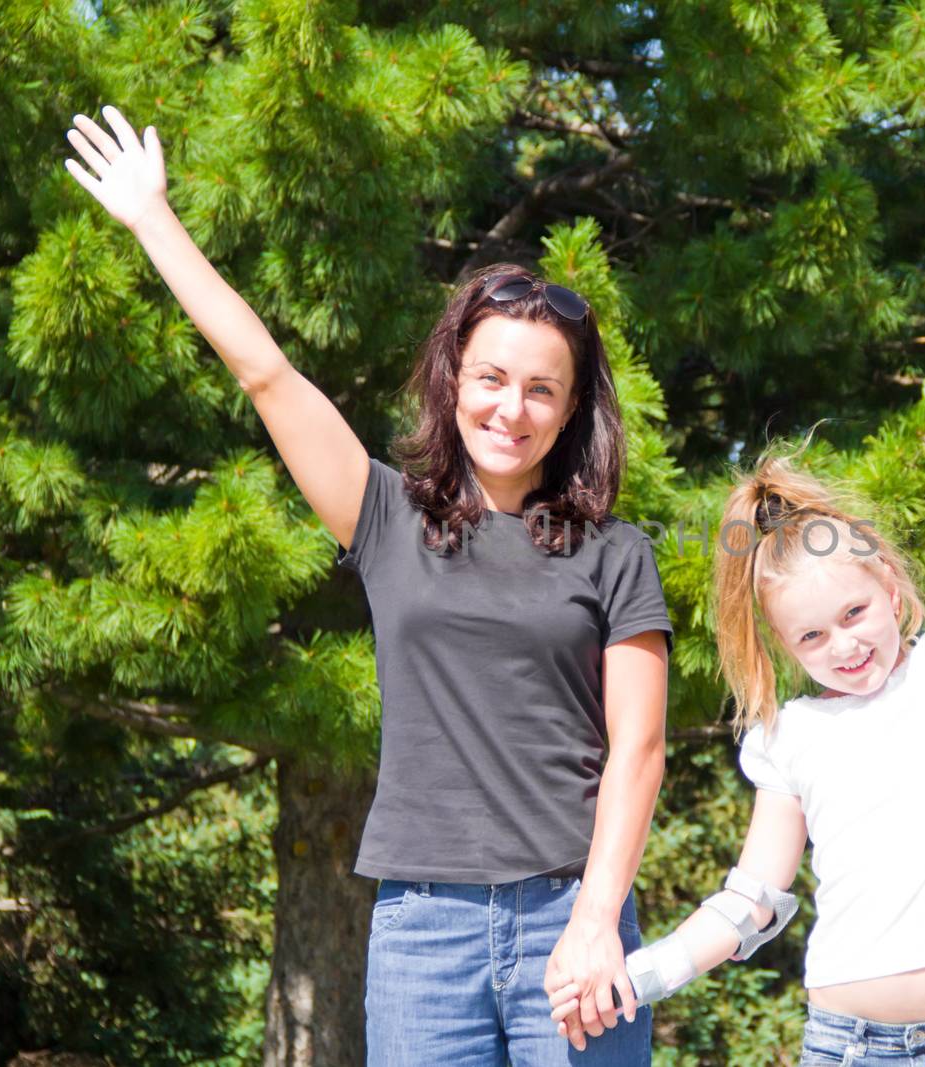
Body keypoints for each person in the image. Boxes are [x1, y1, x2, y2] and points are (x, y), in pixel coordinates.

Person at [64, 105, 672, 1066]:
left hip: (574, 914)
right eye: (491, 377)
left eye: (541, 389)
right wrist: (153, 220)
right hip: (424, 933)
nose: (511, 407)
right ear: (454, 381)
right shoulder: (389, 518)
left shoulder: (614, 552)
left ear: (570, 413)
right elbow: (265, 375)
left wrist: (597, 920)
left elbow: (639, 753)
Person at [548, 244, 925, 1065]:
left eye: (854, 613)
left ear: (890, 588)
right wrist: (643, 974)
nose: (844, 645)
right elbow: (753, 899)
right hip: (847, 1045)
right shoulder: (791, 736)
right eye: (811, 636)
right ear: (782, 645)